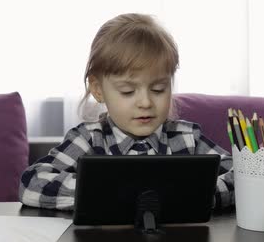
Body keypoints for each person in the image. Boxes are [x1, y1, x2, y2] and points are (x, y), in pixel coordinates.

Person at [19, 13, 234, 210]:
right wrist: (113, 194)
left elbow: (244, 177)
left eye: (158, 89)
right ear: (98, 90)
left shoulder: (186, 138)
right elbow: (32, 184)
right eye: (128, 91)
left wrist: (191, 194)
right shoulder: (88, 139)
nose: (146, 102)